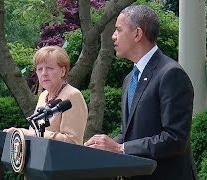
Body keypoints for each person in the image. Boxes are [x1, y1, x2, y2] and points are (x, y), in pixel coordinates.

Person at [84, 5, 197, 180]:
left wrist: (120, 148)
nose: (113, 36)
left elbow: (175, 139)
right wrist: (102, 147)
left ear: (137, 34)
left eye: (118, 30)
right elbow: (130, 134)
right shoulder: (129, 79)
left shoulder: (171, 74)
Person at [4, 46, 88, 145]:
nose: (44, 73)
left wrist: (31, 134)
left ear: (63, 71)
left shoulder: (73, 96)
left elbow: (73, 142)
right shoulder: (43, 96)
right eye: (40, 69)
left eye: (49, 68)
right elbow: (34, 131)